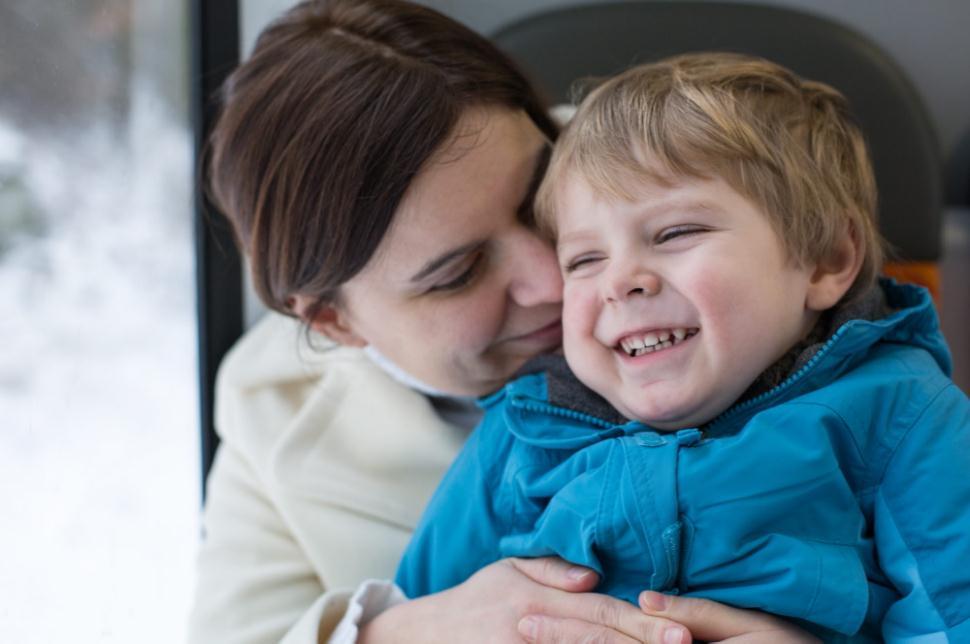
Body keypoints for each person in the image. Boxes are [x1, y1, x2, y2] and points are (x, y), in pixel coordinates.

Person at [188, 3, 821, 643]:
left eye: (538, 198)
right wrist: (408, 633)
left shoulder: (697, 178)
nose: (553, 280)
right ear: (334, 320)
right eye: (458, 273)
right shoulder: (269, 406)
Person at [396, 53, 970, 641]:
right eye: (585, 260)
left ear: (827, 260)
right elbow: (425, 615)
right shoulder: (520, 433)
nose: (621, 280)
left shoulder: (902, 416)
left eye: (675, 233)